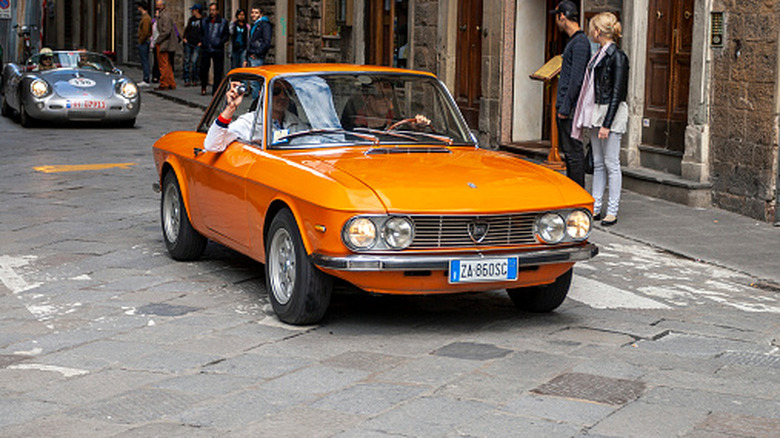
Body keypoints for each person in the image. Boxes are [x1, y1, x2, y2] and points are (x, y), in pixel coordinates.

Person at [571, 12, 628, 227]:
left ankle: (612, 211)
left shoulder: (617, 56)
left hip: (609, 114)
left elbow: (617, 93)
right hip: (596, 111)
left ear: (598, 31)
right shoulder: (599, 54)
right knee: (598, 162)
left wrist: (607, 124)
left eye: (592, 28)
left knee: (612, 163)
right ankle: (595, 207)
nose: (590, 32)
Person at [551, 0, 590, 188]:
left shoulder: (580, 43)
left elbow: (576, 79)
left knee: (574, 153)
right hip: (567, 106)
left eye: (557, 17)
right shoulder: (574, 41)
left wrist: (565, 108)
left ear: (562, 17)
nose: (556, 22)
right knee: (569, 152)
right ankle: (573, 190)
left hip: (571, 108)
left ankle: (578, 193)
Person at [203, 80, 305, 152]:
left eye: (287, 92)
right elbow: (212, 145)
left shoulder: (295, 121)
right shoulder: (249, 122)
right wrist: (230, 108)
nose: (282, 96)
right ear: (262, 94)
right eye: (276, 91)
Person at [200, 2, 229, 96]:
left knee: (218, 70)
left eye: (213, 10)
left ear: (217, 11)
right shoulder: (204, 21)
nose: (212, 12)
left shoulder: (223, 22)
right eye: (210, 10)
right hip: (206, 48)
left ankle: (216, 89)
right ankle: (203, 86)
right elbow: (201, 33)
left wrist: (220, 42)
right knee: (204, 68)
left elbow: (226, 34)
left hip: (218, 49)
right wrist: (203, 41)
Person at [245, 3, 272, 99]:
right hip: (251, 55)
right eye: (252, 12)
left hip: (257, 56)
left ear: (261, 14)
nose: (253, 15)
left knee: (255, 82)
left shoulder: (264, 25)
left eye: (256, 13)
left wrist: (257, 53)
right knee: (253, 82)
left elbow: (267, 42)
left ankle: (256, 103)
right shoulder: (255, 24)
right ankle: (256, 102)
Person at [154, 0, 177, 90]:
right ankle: (170, 82)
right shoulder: (163, 15)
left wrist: (158, 40)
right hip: (164, 42)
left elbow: (166, 31)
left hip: (164, 43)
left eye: (158, 5)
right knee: (167, 64)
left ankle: (164, 83)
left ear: (162, 5)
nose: (157, 6)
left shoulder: (164, 16)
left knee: (163, 64)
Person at [182, 4, 203, 87]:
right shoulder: (191, 20)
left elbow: (204, 32)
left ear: (197, 10)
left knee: (194, 62)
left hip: (197, 43)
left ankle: (195, 78)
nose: (192, 12)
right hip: (189, 42)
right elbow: (187, 29)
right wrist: (184, 38)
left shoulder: (202, 21)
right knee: (187, 61)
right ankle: (186, 79)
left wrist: (201, 41)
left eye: (193, 10)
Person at [136, 2, 152, 86]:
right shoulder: (145, 17)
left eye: (139, 7)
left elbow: (145, 32)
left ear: (141, 7)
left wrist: (141, 40)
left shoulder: (146, 18)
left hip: (144, 42)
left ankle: (146, 79)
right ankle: (146, 78)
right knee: (144, 60)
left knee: (144, 60)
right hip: (144, 42)